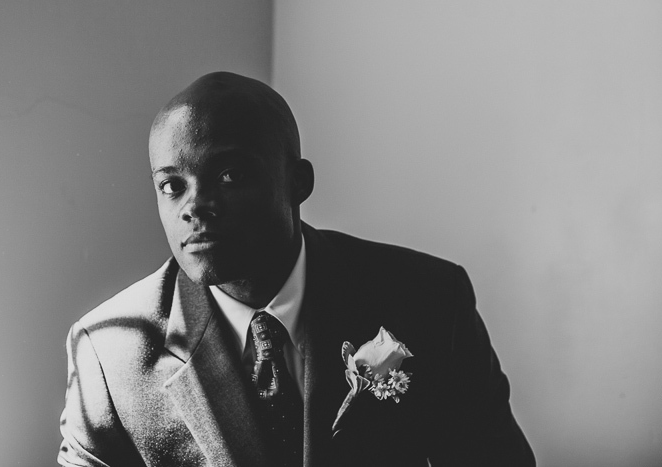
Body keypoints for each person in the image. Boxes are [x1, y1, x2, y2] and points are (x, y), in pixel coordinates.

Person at [58, 71, 536, 467]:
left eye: (230, 175)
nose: (195, 206)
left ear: (298, 182)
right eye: (171, 186)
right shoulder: (108, 351)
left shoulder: (429, 300)